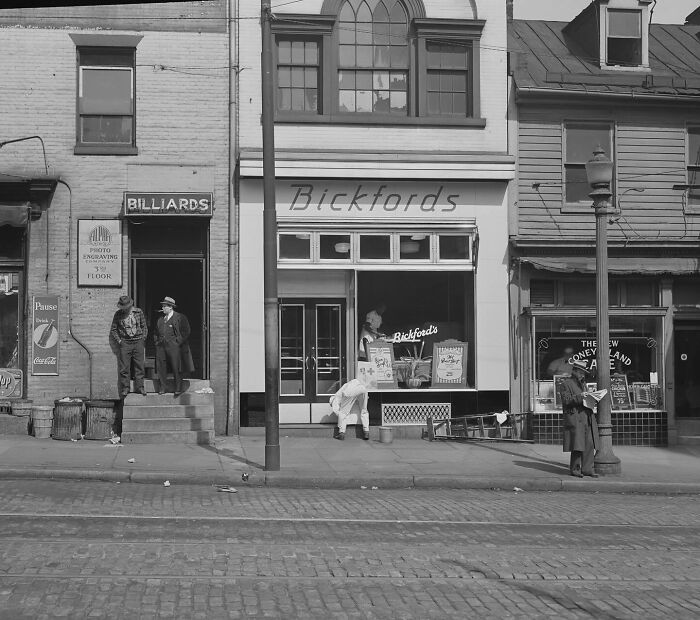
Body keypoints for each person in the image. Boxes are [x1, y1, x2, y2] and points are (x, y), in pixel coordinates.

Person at [557, 359, 600, 478]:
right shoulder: (566, 384)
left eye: (584, 372)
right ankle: (575, 469)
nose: (582, 374)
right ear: (575, 371)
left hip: (587, 417)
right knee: (577, 445)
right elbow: (566, 400)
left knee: (589, 444)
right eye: (581, 372)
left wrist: (591, 398)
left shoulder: (583, 384)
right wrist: (580, 397)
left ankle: (587, 469)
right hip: (575, 418)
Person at [109, 295, 148, 398]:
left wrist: (143, 338)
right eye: (123, 307)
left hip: (138, 342)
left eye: (126, 306)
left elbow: (144, 326)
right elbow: (113, 329)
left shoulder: (138, 312)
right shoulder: (118, 314)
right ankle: (125, 388)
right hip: (125, 343)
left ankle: (140, 387)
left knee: (139, 365)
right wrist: (120, 341)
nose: (125, 309)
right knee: (124, 367)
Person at [154, 296, 193, 397]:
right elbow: (155, 332)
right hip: (161, 346)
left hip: (174, 347)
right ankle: (163, 387)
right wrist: (157, 342)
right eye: (162, 306)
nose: (162, 308)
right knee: (161, 367)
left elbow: (186, 331)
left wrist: (177, 342)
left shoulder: (180, 317)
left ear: (170, 307)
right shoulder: (160, 320)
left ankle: (178, 387)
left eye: (164, 306)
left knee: (176, 367)